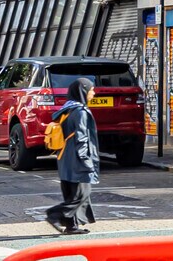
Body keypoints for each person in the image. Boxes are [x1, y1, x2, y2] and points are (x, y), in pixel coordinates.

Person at [45, 76, 101, 235]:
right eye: (91, 90)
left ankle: (71, 227)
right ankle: (54, 215)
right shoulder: (80, 112)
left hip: (64, 157)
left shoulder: (67, 109)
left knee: (71, 193)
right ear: (83, 91)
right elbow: (81, 138)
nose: (94, 93)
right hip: (77, 158)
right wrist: (86, 161)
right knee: (82, 193)